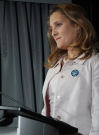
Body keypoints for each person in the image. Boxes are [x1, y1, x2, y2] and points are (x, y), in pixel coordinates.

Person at [41, 3, 99, 135]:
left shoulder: (95, 62)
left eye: (58, 24)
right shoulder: (54, 66)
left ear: (77, 24)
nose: (53, 32)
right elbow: (46, 111)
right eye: (51, 28)